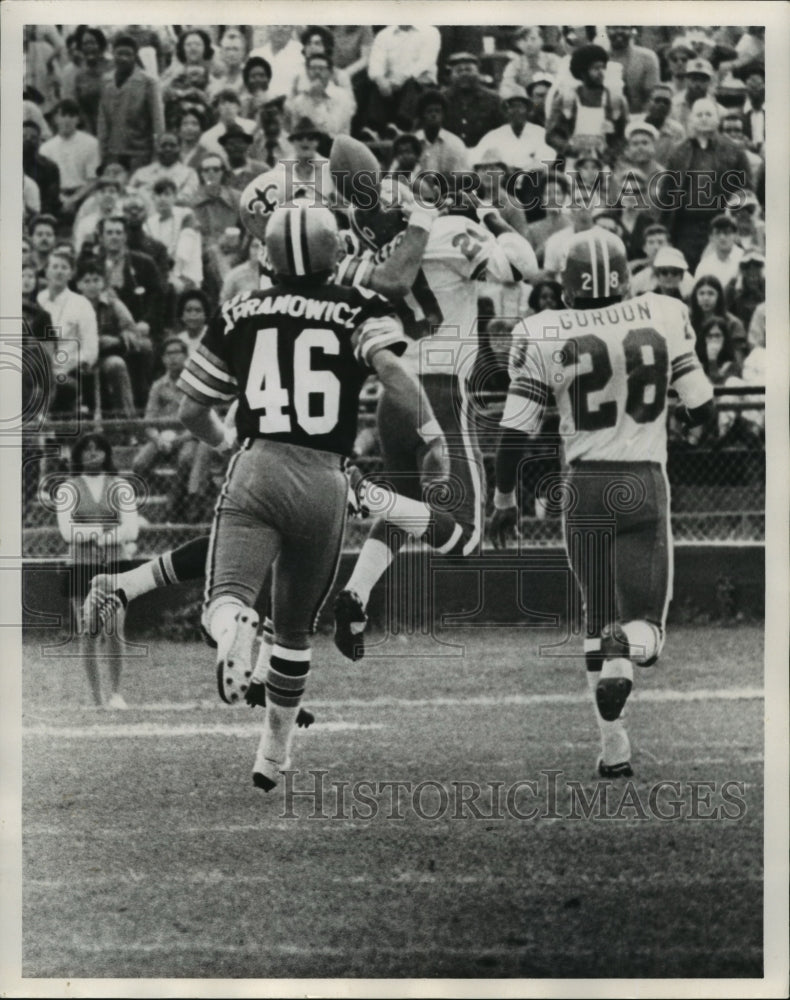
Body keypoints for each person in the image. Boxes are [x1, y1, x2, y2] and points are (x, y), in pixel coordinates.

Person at [176, 204, 446, 791]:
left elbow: (191, 408)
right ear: (334, 254)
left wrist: (225, 443)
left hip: (261, 463)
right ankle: (273, 753)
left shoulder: (241, 308)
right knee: (295, 630)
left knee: (224, 602)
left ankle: (236, 630)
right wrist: (432, 436)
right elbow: (396, 378)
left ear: (268, 258)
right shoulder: (358, 307)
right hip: (326, 479)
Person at [491, 229, 714, 777]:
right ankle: (627, 647)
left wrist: (503, 499)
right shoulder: (662, 311)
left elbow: (514, 436)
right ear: (625, 278)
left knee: (597, 615)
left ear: (566, 288)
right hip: (642, 481)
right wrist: (685, 426)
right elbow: (702, 406)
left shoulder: (542, 331)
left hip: (583, 487)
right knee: (648, 634)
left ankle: (614, 747)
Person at [332, 189, 539, 661]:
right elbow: (522, 264)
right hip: (442, 395)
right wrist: (488, 212)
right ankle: (365, 492)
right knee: (465, 536)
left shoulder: (370, 261)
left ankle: (357, 595)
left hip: (394, 396)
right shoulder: (445, 232)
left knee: (405, 514)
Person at [53, 433, 139, 708]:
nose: (92, 455)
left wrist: (105, 539)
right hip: (82, 565)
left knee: (114, 628)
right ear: (78, 455)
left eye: (98, 449)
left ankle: (116, 692)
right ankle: (96, 697)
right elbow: (68, 532)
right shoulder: (68, 488)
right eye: (86, 450)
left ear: (106, 453)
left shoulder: (120, 485)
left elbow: (132, 528)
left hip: (115, 565)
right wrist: (101, 531)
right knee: (88, 630)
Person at [661, 98, 750, 272]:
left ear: (717, 119)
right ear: (691, 119)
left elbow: (745, 191)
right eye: (699, 114)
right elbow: (667, 195)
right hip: (686, 229)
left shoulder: (733, 151)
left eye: (708, 114)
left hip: (720, 225)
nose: (703, 118)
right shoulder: (678, 153)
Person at [36, 250, 98, 414]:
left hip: (67, 371)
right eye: (54, 266)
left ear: (71, 274)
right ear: (47, 271)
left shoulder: (81, 304)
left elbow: (90, 351)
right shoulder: (38, 300)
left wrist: (66, 366)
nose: (59, 271)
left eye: (64, 267)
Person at [73, 258, 137, 418]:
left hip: (105, 356)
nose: (92, 285)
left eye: (96, 280)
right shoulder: (72, 306)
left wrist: (118, 340)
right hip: (78, 357)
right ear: (79, 285)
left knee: (117, 365)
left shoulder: (113, 304)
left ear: (103, 282)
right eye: (86, 281)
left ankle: (127, 420)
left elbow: (131, 330)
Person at [97, 34, 165, 172]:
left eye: (128, 54)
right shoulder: (106, 81)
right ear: (113, 54)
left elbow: (158, 120)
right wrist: (103, 150)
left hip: (140, 152)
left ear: (135, 57)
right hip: (114, 150)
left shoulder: (148, 82)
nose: (123, 58)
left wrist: (158, 151)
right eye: (119, 53)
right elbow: (103, 119)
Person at [39, 99, 100, 223]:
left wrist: (73, 199)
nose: (67, 120)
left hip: (82, 196)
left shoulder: (91, 143)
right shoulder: (46, 148)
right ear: (56, 118)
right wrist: (61, 199)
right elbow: (45, 183)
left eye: (71, 116)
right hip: (55, 197)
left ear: (78, 119)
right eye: (63, 115)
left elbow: (93, 180)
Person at [441, 51, 504, 148]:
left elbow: (502, 131)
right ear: (451, 75)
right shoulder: (441, 99)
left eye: (468, 70)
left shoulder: (494, 99)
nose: (464, 74)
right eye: (459, 71)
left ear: (478, 73)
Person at [128, 131, 200, 204]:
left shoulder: (189, 173)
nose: (168, 149)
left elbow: (186, 197)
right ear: (157, 148)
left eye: (172, 146)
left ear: (180, 148)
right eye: (163, 145)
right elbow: (130, 194)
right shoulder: (142, 172)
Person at [688, 274, 746, 364]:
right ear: (695, 296)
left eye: (711, 293)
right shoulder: (688, 321)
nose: (706, 298)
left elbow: (738, 361)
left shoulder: (733, 324)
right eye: (701, 293)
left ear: (719, 296)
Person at [412, 90, 470, 178]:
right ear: (422, 115)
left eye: (437, 111)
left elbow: (462, 176)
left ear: (444, 115)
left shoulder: (455, 144)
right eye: (429, 111)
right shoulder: (413, 142)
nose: (433, 115)